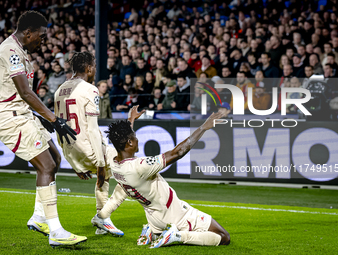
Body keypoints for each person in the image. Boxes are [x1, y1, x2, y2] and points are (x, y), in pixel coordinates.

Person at [91, 108, 231, 248]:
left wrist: (131, 120)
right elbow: (178, 152)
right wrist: (203, 127)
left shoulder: (115, 164)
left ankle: (151, 232)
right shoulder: (140, 166)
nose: (137, 138)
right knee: (223, 237)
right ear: (130, 142)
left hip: (154, 217)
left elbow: (122, 140)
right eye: (134, 136)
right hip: (175, 214)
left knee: (123, 190)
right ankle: (178, 235)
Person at [0, 11, 82, 248]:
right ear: (28, 33)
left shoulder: (21, 51)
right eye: (42, 35)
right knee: (45, 165)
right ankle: (56, 230)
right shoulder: (11, 51)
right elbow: (25, 92)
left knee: (54, 158)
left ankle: (38, 218)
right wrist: (53, 118)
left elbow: (21, 95)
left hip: (23, 114)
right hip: (10, 117)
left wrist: (41, 117)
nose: (43, 40)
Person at [54, 51, 144, 236]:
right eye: (94, 66)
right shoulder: (90, 89)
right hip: (90, 148)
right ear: (88, 68)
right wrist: (100, 163)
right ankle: (103, 215)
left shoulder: (59, 90)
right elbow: (93, 130)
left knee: (105, 180)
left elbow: (58, 128)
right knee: (134, 171)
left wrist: (73, 162)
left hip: (72, 150)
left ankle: (103, 221)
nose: (95, 70)